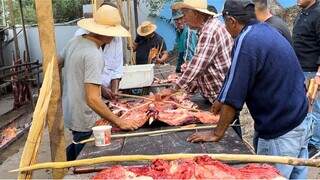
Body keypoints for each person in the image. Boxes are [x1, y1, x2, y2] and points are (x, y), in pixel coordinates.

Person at [188, 0, 311, 178]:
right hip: (300, 119)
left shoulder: (247, 40)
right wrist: (220, 98)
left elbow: (235, 94)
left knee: (269, 175)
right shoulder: (264, 29)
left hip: (281, 130)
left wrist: (217, 133)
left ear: (231, 21)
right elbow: (234, 73)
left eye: (225, 23)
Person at [59, 5, 139, 161]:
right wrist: (119, 122)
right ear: (106, 33)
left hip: (71, 111)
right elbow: (93, 99)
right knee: (84, 157)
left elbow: (55, 63)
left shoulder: (74, 42)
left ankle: (64, 162)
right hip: (85, 118)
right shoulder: (93, 54)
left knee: (77, 144)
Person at [74, 2, 123, 98]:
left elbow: (117, 69)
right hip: (85, 94)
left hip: (106, 93)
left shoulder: (117, 38)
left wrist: (114, 93)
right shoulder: (82, 38)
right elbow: (82, 72)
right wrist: (101, 89)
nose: (113, 35)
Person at [293, 0, 320, 158]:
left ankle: (315, 145)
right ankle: (307, 140)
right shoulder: (304, 12)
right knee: (306, 108)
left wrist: (318, 74)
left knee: (314, 109)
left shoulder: (318, 13)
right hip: (301, 70)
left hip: (311, 71)